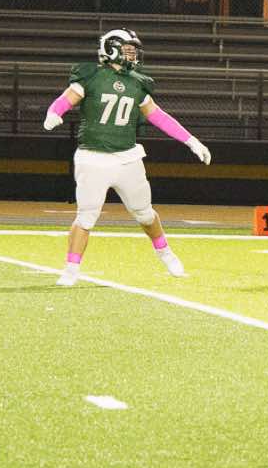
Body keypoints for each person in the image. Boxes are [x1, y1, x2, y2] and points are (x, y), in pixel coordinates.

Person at [43, 28, 208, 286]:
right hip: (92, 157)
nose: (133, 54)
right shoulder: (91, 76)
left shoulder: (136, 82)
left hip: (128, 158)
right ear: (111, 48)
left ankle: (165, 253)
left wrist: (190, 140)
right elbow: (65, 99)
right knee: (86, 217)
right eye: (128, 49)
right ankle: (71, 269)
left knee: (144, 214)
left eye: (133, 50)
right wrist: (54, 113)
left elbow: (158, 116)